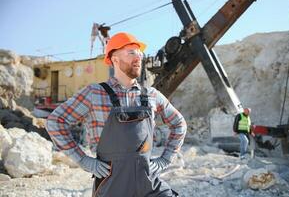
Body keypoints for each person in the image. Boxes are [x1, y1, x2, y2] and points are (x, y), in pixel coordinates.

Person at [46, 32, 187, 197]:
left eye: (139, 53)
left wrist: (165, 159)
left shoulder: (151, 95)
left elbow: (179, 124)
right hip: (112, 185)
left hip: (147, 181)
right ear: (114, 59)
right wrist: (83, 160)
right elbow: (55, 122)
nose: (138, 57)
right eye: (131, 52)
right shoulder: (94, 94)